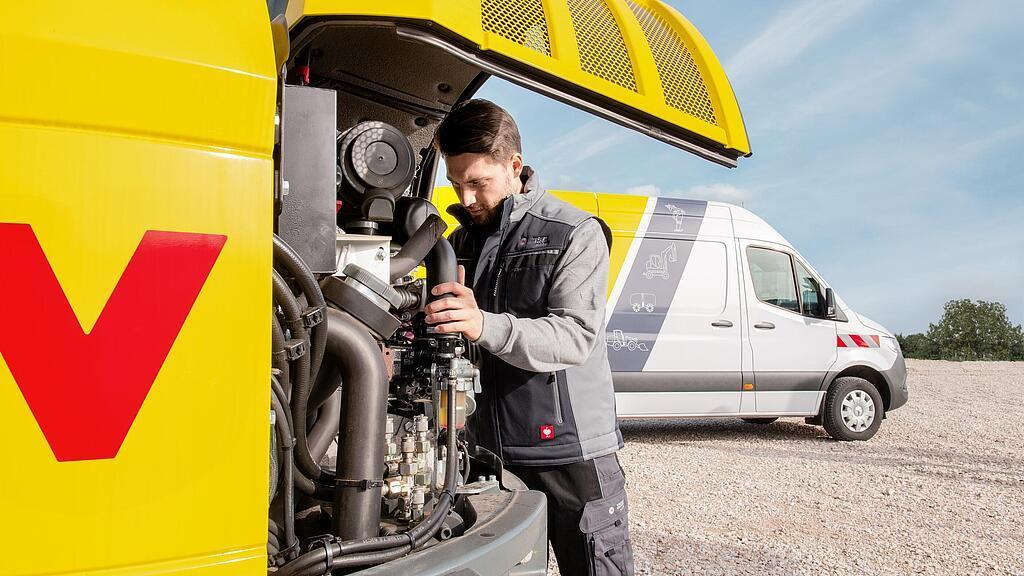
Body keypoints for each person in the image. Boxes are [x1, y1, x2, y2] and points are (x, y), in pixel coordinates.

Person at [424, 99, 634, 576]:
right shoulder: (459, 244)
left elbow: (575, 336)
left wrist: (484, 324)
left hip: (571, 454)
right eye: (456, 184)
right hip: (490, 455)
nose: (466, 198)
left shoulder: (574, 232)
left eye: (478, 182)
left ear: (514, 165)